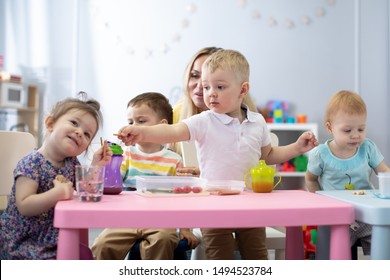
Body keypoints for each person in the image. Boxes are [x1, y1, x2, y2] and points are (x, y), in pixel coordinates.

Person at [116, 49, 318, 260]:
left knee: (257, 258)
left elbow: (268, 155)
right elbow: (172, 131)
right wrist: (142, 132)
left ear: (243, 90)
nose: (210, 93)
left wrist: (297, 147)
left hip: (250, 204)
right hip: (212, 205)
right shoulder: (204, 121)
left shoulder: (257, 121)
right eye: (206, 86)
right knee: (218, 260)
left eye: (220, 87)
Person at [0, 92, 112, 260]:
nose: (80, 132)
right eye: (74, 123)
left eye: (87, 134)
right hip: (24, 242)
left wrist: (96, 165)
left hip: (54, 236)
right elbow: (24, 205)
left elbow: (84, 189)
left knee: (86, 256)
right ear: (50, 123)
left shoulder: (72, 163)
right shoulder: (31, 163)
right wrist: (57, 194)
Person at [91, 92, 199, 260]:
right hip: (127, 220)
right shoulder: (125, 156)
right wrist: (107, 164)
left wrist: (185, 229)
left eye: (141, 121)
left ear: (162, 126)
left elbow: (183, 198)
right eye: (130, 122)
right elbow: (111, 186)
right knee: (102, 244)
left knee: (163, 240)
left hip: (161, 222)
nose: (133, 126)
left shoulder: (174, 160)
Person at [305, 90, 390, 257]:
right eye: (347, 130)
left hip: (366, 214)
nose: (355, 135)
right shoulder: (320, 154)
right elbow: (310, 179)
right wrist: (321, 201)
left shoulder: (368, 148)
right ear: (330, 128)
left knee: (383, 246)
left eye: (361, 129)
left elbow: (385, 172)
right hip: (337, 217)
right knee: (336, 256)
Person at [172, 46, 257, 177]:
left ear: (242, 90)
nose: (201, 86)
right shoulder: (175, 113)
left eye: (219, 85)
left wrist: (209, 172)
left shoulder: (252, 122)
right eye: (194, 75)